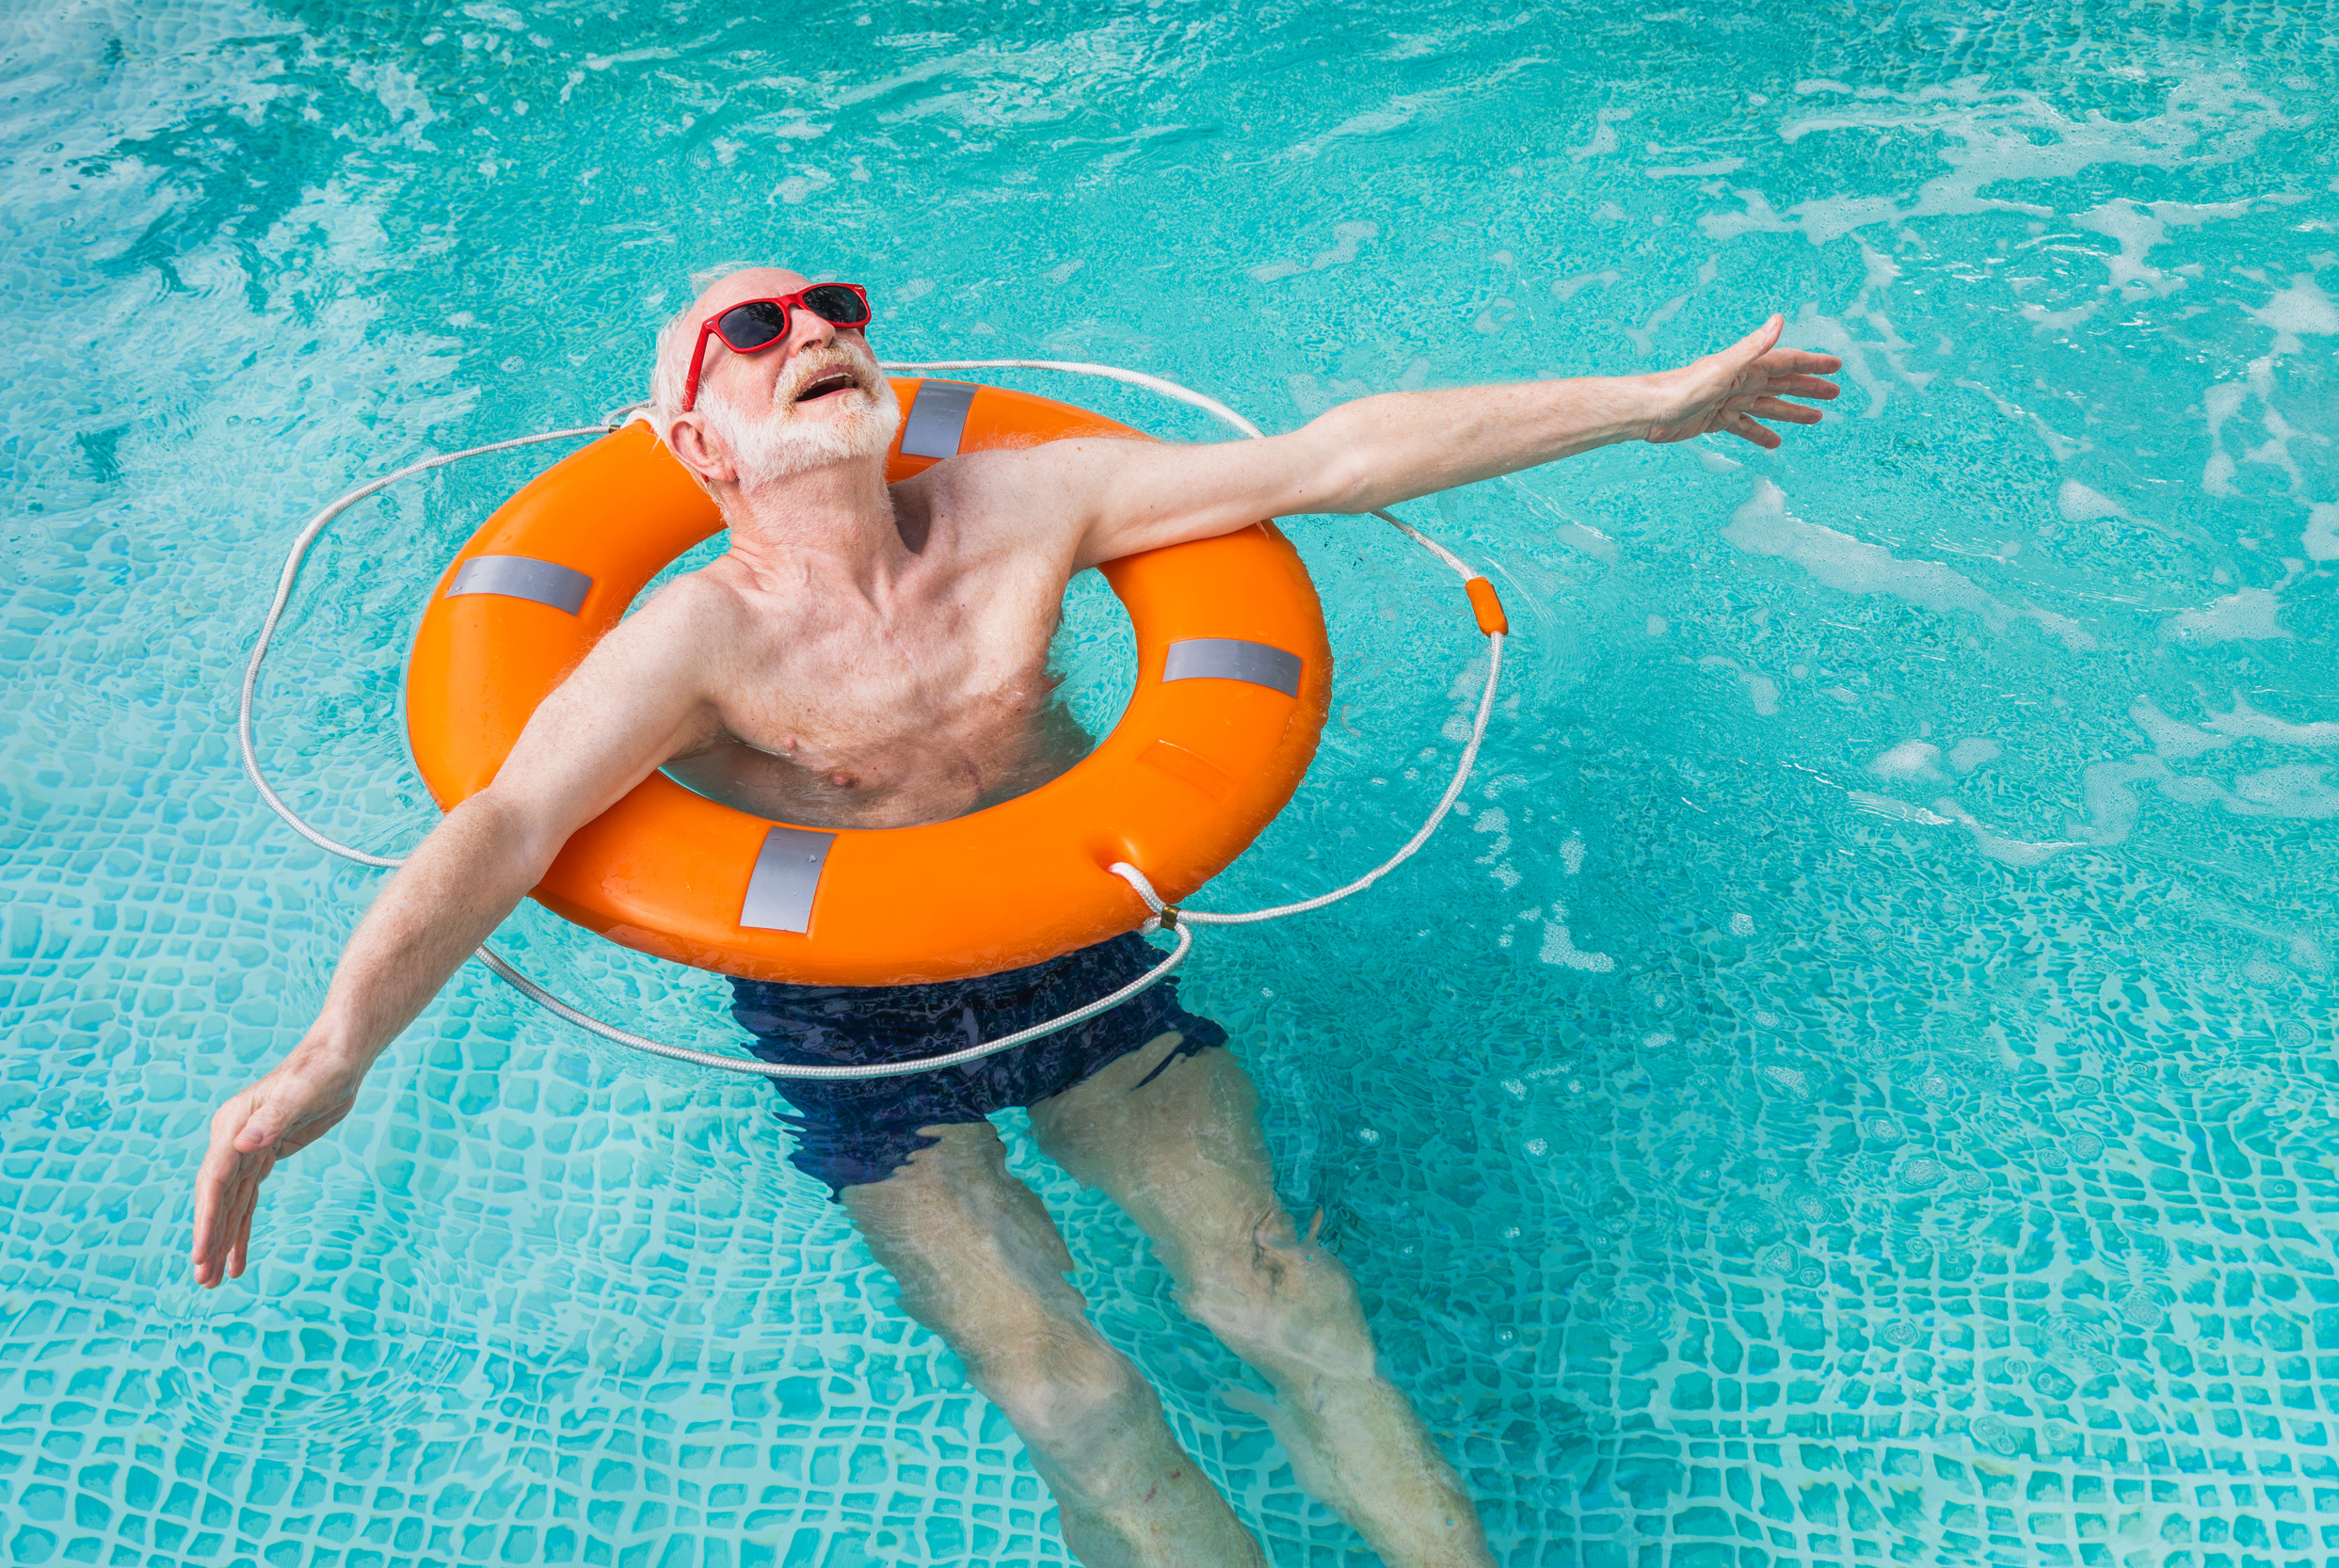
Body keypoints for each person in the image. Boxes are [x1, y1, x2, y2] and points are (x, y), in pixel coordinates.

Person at [193, 266, 1839, 1566]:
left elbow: (1331, 456)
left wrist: (1653, 405)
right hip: (854, 1035)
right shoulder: (696, 647)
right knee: (1072, 1392)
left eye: (834, 308)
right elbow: (506, 823)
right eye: (752, 331)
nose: (814, 334)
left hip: (1082, 968)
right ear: (696, 443)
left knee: (1279, 1289)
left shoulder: (1023, 507)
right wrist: (330, 1056)